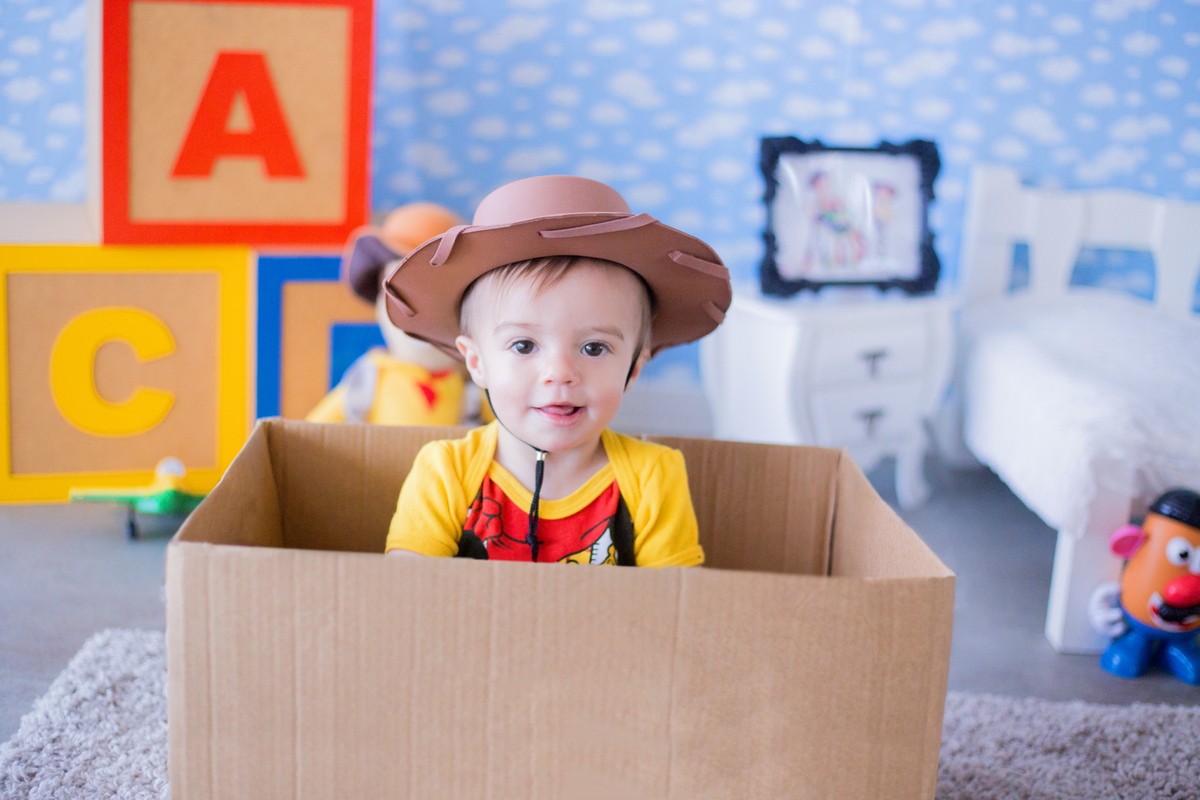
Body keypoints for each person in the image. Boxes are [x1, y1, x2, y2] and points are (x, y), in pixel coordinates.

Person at [382, 175, 731, 566]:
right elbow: (407, 599)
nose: (560, 373)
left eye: (594, 347)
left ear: (634, 368)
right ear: (476, 362)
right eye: (524, 345)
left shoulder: (652, 477)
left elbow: (680, 609)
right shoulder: (447, 473)